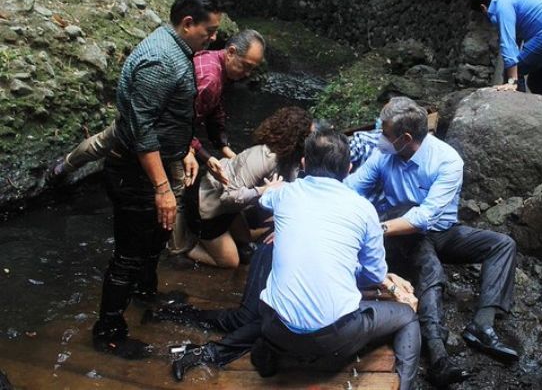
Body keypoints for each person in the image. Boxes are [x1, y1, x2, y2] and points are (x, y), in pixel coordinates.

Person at [170, 130, 421, 389]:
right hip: (333, 339)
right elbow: (372, 275)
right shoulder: (364, 210)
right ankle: (405, 385)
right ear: (348, 169)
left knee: (277, 294)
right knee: (407, 317)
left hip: (274, 327)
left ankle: (250, 351)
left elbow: (266, 198)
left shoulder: (285, 195)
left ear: (303, 164)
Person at [345, 97, 519, 387]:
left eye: (386, 134)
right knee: (430, 269)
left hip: (440, 229)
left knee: (502, 243)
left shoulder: (447, 160)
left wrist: (375, 227)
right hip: (402, 232)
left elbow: (425, 217)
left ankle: (483, 324)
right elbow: (352, 188)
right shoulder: (383, 155)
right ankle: (437, 352)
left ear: (406, 138)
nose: (381, 139)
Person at [46, 29, 266, 255]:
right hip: (162, 128)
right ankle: (179, 247)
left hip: (145, 118)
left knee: (102, 142)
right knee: (179, 187)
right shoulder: (210, 77)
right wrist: (200, 154)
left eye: (252, 68)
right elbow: (179, 118)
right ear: (230, 52)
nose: (248, 73)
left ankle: (62, 167)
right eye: (246, 65)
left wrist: (223, 147)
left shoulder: (216, 66)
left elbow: (213, 111)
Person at [91, 0, 222, 359]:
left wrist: (185, 152)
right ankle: (108, 332)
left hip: (156, 167)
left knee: (155, 236)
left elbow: (171, 116)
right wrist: (163, 188)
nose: (213, 39)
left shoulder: (178, 51)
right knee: (128, 253)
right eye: (209, 31)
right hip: (134, 173)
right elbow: (142, 130)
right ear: (187, 23)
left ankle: (145, 295)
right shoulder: (161, 60)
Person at [186, 107, 313, 268]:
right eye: (309, 136)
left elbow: (291, 187)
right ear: (296, 138)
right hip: (207, 208)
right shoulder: (264, 157)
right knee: (231, 262)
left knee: (246, 240)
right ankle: (186, 247)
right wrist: (262, 191)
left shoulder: (291, 159)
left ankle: (225, 236)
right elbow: (228, 197)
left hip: (230, 209)